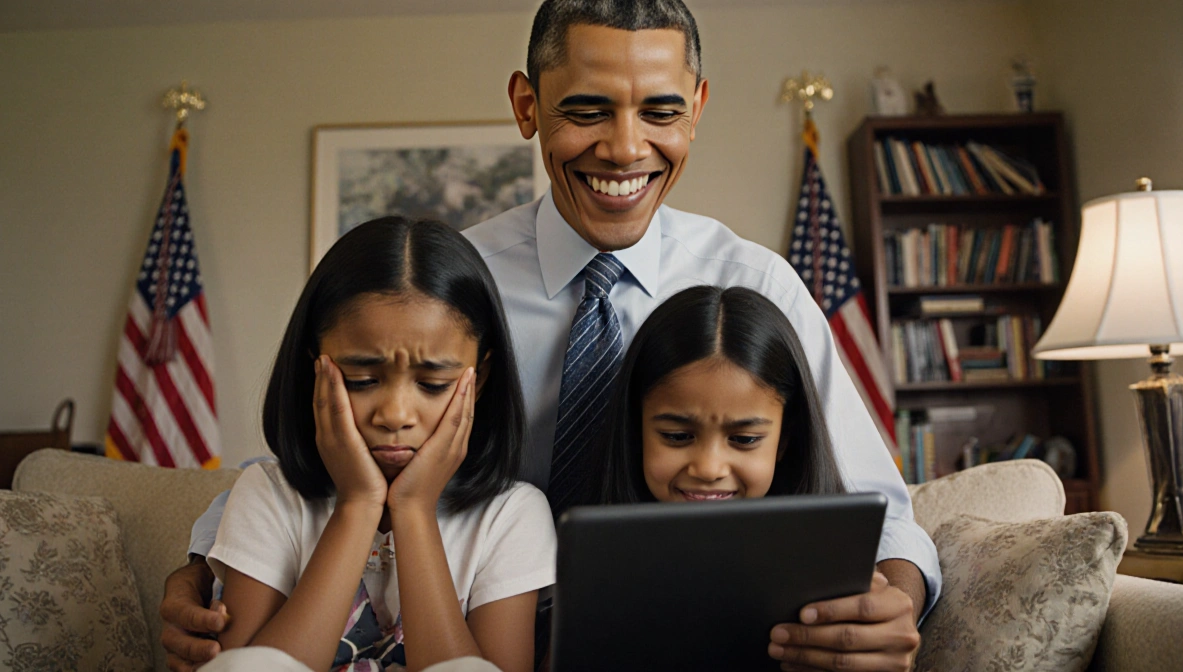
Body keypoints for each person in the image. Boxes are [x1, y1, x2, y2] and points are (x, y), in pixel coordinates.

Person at [161, 2, 940, 670]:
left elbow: (876, 503)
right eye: (588, 110)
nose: (626, 149)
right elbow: (322, 447)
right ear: (527, 106)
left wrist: (895, 597)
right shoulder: (456, 289)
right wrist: (203, 563)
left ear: (697, 106)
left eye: (661, 112)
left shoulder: (757, 288)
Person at [202, 217, 555, 671]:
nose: (394, 416)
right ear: (316, 368)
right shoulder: (268, 494)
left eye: (432, 384)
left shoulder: (512, 514)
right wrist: (357, 503)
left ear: (480, 378)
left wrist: (413, 510)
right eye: (361, 379)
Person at [588, 285, 919, 669]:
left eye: (744, 439)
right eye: (677, 436)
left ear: (783, 441)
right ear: (636, 429)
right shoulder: (596, 573)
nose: (709, 469)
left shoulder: (830, 572)